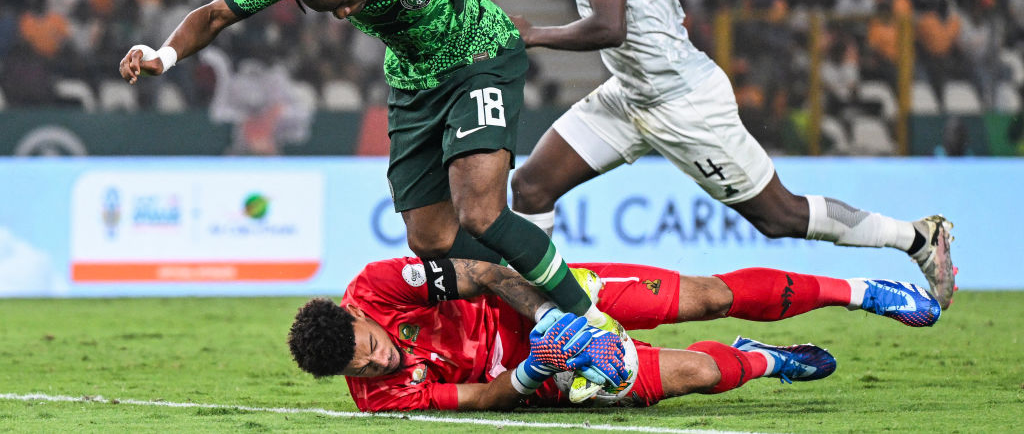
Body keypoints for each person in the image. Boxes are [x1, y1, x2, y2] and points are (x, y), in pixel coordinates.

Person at [118, 0, 638, 370]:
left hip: (480, 59)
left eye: (343, 1)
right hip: (414, 84)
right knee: (430, 240)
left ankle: (593, 325)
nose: (342, 15)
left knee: (480, 212)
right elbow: (213, 14)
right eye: (329, 11)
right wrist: (161, 55)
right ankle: (544, 286)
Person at [507, 0, 957, 309]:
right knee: (531, 185)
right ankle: (540, 314)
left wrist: (533, 34)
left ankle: (917, 237)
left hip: (683, 102)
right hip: (630, 94)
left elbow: (608, 27)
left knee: (780, 216)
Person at [287, 256, 940, 411]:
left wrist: (553, 318)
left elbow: (485, 272)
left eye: (371, 346)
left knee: (708, 297)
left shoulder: (379, 285)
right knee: (701, 373)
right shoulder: (377, 396)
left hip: (546, 301)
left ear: (357, 316)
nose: (380, 361)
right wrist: (536, 367)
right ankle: (766, 360)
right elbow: (481, 398)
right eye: (362, 369)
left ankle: (863, 291)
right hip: (539, 371)